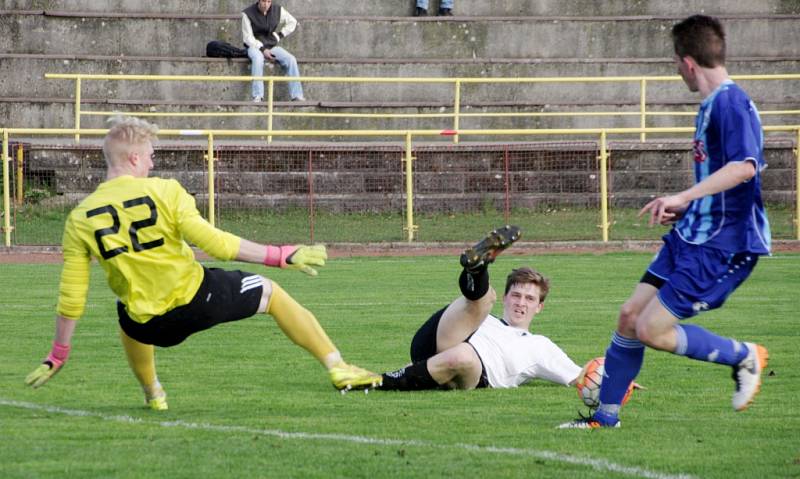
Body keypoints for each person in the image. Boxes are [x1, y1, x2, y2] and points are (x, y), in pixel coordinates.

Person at [24, 116, 380, 410]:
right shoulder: (164, 190)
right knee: (272, 295)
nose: (152, 162)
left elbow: (72, 296)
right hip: (197, 301)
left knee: (127, 313)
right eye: (149, 155)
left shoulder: (80, 217)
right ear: (133, 158)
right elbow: (215, 243)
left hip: (148, 327)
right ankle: (338, 367)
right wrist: (280, 254)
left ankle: (154, 395)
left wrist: (58, 354)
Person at [559, 14, 771, 429]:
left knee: (651, 329)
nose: (677, 71)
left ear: (688, 62)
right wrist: (687, 208)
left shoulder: (731, 102)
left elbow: (745, 168)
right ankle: (604, 419)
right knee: (628, 317)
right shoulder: (711, 106)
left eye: (676, 63)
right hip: (691, 235)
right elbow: (724, 184)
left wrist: (685, 195)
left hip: (722, 245)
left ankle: (744, 355)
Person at [378, 225, 583, 392]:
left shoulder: (540, 345)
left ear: (539, 307)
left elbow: (580, 376)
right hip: (441, 339)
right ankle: (477, 268)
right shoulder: (485, 319)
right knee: (485, 299)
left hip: (476, 371)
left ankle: (375, 381)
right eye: (516, 295)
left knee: (463, 355)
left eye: (529, 299)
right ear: (506, 298)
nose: (521, 303)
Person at [242, 0, 305, 102]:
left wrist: (279, 35)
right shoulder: (247, 13)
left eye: (268, 1)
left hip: (270, 45)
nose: (266, 4)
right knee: (258, 59)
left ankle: (297, 95)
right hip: (254, 47)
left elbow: (292, 21)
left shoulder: (278, 10)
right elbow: (247, 38)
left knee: (291, 59)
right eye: (263, 1)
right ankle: (258, 96)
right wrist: (262, 49)